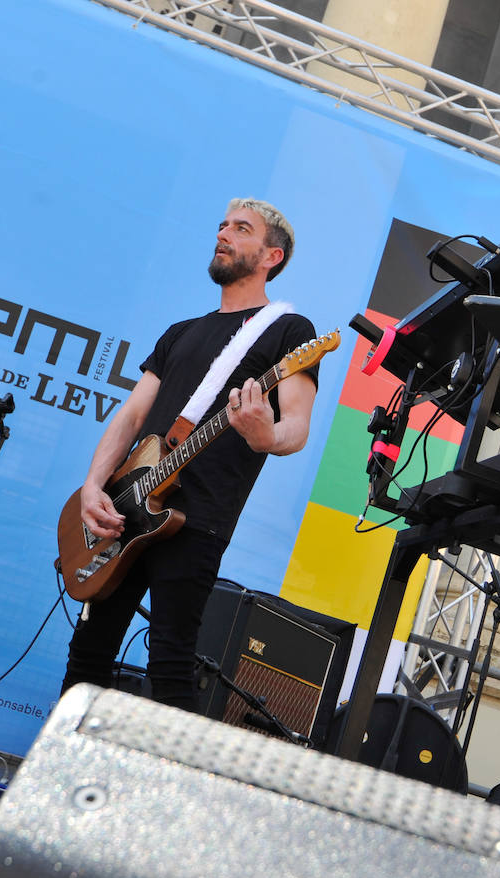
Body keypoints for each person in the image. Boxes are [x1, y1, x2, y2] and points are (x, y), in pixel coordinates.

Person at [61, 198, 319, 710]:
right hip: (123, 508)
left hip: (196, 520)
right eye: (222, 225)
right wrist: (94, 486)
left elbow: (297, 428)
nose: (223, 234)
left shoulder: (289, 332)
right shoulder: (180, 332)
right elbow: (133, 417)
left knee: (170, 663)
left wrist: (265, 436)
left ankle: (163, 788)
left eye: (241, 229)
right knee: (87, 651)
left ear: (272, 256)